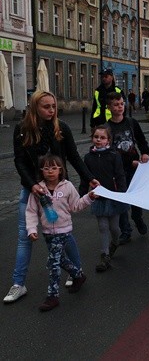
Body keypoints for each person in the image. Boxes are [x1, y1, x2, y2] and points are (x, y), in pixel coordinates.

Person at [5, 91, 98, 304]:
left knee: (64, 233)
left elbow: (73, 156)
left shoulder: (61, 128)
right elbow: (20, 161)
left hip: (57, 190)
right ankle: (19, 283)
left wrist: (90, 178)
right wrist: (32, 184)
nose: (51, 110)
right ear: (34, 107)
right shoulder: (22, 129)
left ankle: (76, 272)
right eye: (46, 106)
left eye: (53, 106)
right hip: (31, 190)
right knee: (25, 236)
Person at [25, 153, 94, 311]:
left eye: (54, 168)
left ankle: (52, 296)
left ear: (60, 170)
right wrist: (31, 229)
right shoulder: (38, 189)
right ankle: (78, 275)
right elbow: (31, 211)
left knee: (53, 264)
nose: (50, 171)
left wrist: (89, 197)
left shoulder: (68, 186)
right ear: (41, 170)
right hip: (48, 232)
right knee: (59, 259)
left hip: (63, 231)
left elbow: (76, 205)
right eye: (46, 168)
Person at [104, 92, 149, 244]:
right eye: (116, 105)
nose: (120, 107)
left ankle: (137, 217)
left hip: (135, 167)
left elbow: (142, 140)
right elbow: (108, 152)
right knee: (121, 199)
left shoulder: (131, 122)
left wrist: (144, 153)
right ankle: (125, 230)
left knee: (135, 196)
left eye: (122, 104)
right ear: (109, 107)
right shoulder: (107, 128)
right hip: (118, 171)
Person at [81, 126, 127, 272]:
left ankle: (115, 242)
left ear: (108, 140)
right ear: (92, 138)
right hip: (98, 196)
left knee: (114, 227)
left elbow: (120, 174)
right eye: (96, 137)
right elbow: (84, 178)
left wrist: (121, 192)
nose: (99, 140)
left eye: (102, 138)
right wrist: (81, 194)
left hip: (113, 196)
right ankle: (105, 255)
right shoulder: (88, 158)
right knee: (102, 226)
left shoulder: (114, 155)